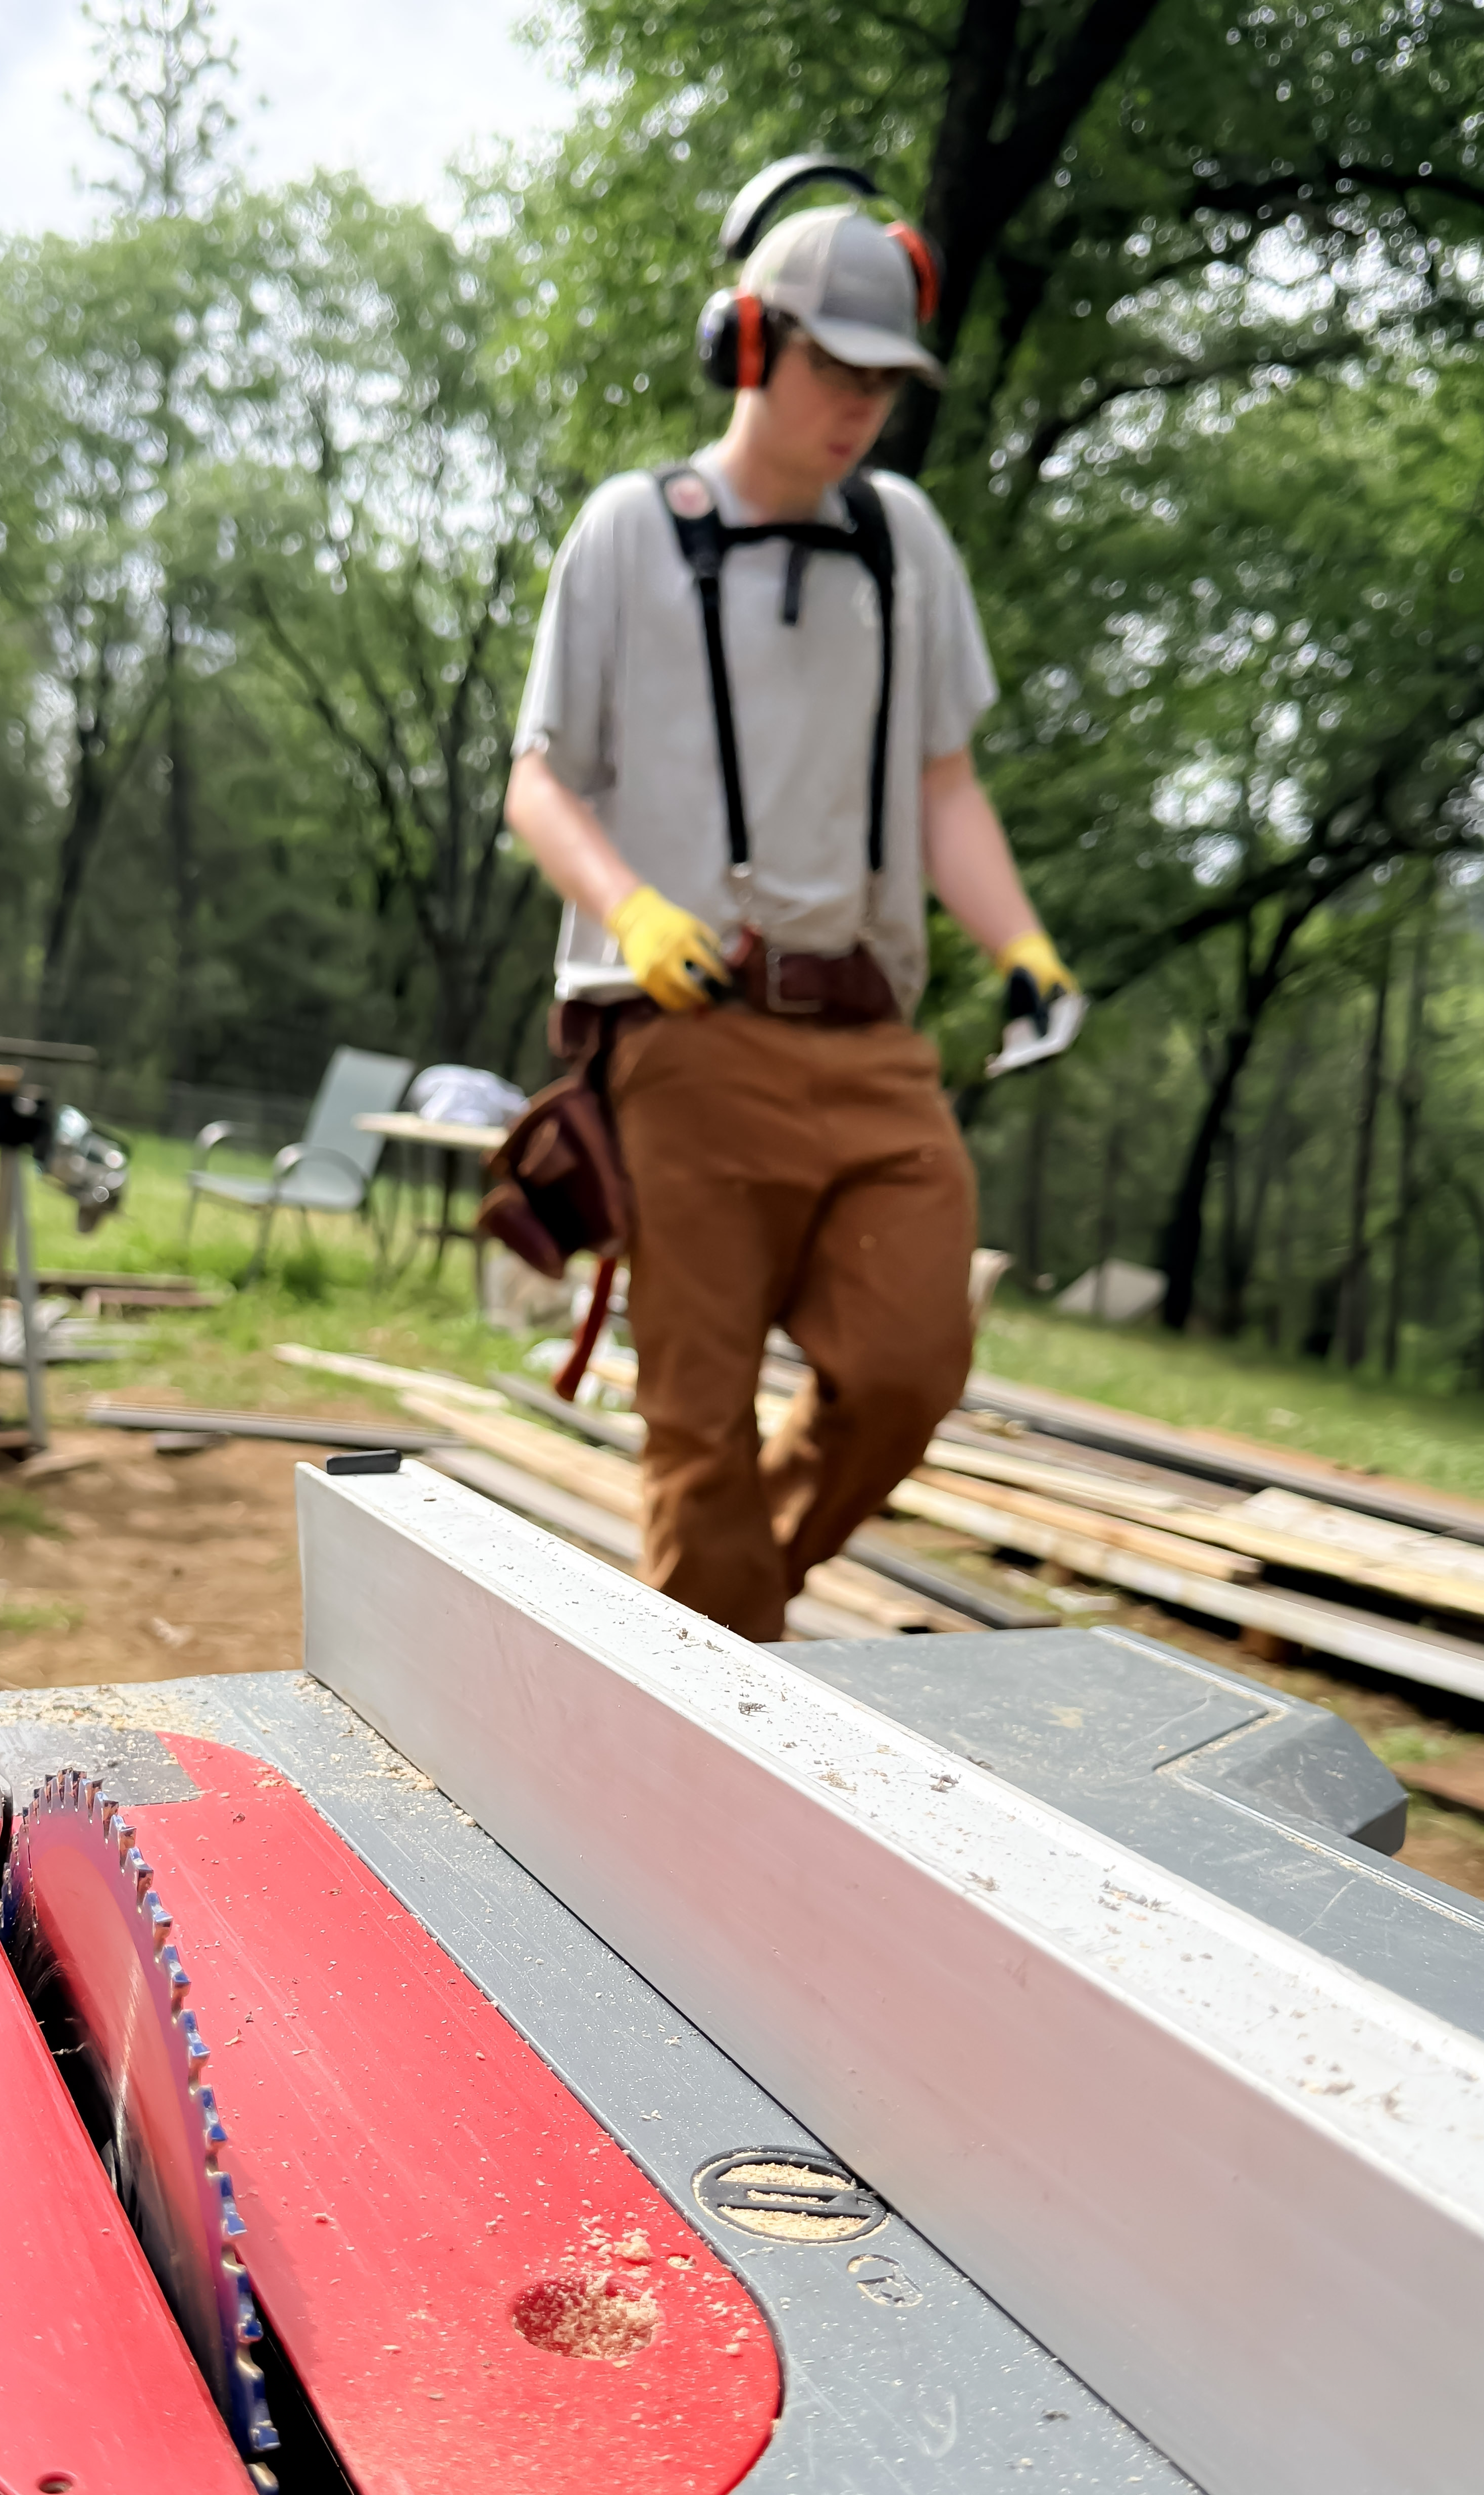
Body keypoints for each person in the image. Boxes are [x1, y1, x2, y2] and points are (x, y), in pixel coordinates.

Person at [503, 196, 1075, 1642]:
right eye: (837, 371)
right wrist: (627, 911)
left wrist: (1020, 945)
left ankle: (709, 1638)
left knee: (907, 1368)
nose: (859, 410)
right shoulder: (630, 533)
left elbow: (943, 785)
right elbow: (537, 782)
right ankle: (715, 1685)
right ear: (750, 342)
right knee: (694, 1427)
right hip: (689, 1034)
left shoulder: (905, 543)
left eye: (884, 383)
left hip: (871, 1040)